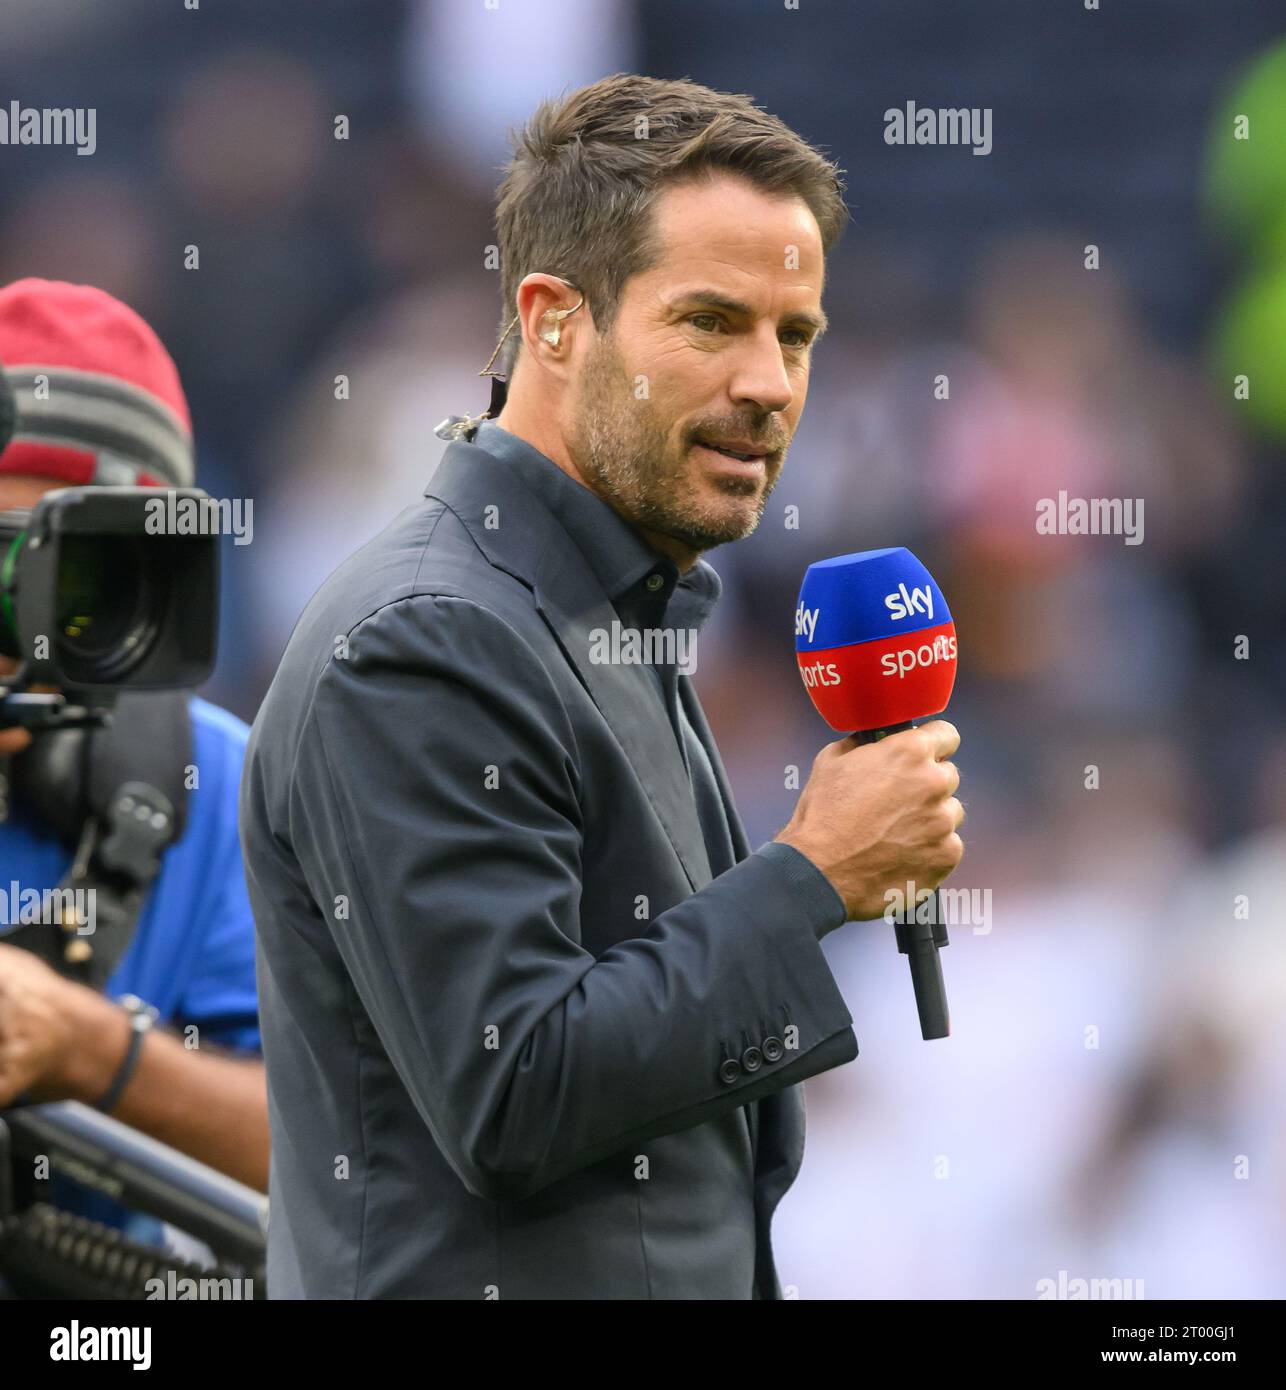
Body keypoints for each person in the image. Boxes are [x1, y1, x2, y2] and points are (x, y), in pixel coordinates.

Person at [241, 73, 965, 1299]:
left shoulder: (608, 608)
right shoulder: (428, 635)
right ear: (557, 321)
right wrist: (810, 879)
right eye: (708, 322)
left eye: (793, 337)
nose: (768, 384)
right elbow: (514, 1087)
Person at [0, 279, 268, 1201]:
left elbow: (334, 1155)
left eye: (71, 581)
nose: (19, 625)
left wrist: (89, 1051)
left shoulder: (220, 781)